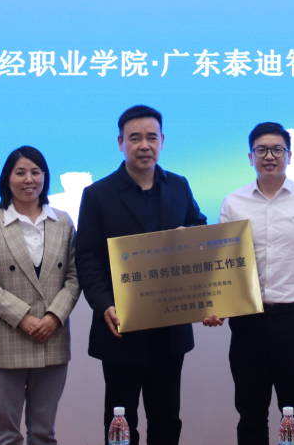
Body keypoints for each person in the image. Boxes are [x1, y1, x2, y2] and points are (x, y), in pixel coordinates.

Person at [76, 105, 207, 445]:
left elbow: (200, 233)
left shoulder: (178, 186)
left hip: (169, 327)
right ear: (121, 143)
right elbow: (87, 257)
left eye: (151, 137)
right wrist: (104, 305)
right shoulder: (98, 194)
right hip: (120, 327)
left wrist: (190, 236)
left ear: (163, 141)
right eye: (135, 138)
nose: (144, 145)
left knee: (166, 419)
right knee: (120, 422)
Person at [204, 121, 294, 445]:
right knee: (250, 413)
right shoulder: (233, 202)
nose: (269, 156)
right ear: (250, 157)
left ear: (289, 155)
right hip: (248, 320)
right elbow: (224, 263)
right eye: (261, 150)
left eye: (277, 150)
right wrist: (217, 305)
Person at [0, 145, 81, 445]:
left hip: (52, 338)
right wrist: (24, 319)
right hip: (7, 339)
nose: (28, 179)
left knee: (44, 433)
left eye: (35, 172)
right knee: (5, 434)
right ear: (7, 179)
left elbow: (74, 277)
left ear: (45, 176)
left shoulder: (63, 222)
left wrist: (54, 317)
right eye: (20, 172)